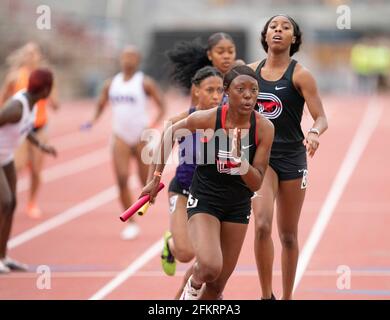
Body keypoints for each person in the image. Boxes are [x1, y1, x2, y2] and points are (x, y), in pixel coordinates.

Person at [141, 65, 274, 300]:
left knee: (216, 287)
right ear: (226, 92)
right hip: (205, 199)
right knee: (210, 267)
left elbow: (256, 183)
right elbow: (170, 132)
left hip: (238, 205)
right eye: (240, 89)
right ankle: (190, 289)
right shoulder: (209, 118)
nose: (247, 95)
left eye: (253, 90)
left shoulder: (264, 128)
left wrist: (240, 163)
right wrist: (156, 178)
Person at [248, 15, 328, 300]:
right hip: (261, 158)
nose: (278, 30)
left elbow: (321, 117)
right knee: (261, 225)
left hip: (293, 157)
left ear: (294, 38)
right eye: (273, 27)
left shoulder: (300, 74)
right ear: (265, 35)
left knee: (288, 235)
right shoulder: (248, 73)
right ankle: (265, 295)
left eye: (285, 28)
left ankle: (287, 297)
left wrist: (315, 133)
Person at [86, 45, 165, 240]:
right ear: (120, 59)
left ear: (138, 60)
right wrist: (92, 120)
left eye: (132, 57)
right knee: (121, 179)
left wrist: (152, 125)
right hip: (120, 135)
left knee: (144, 182)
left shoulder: (145, 83)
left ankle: (142, 206)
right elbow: (101, 104)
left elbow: (162, 106)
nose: (128, 60)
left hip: (140, 135)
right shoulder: (111, 84)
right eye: (125, 57)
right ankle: (131, 222)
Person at [0, 68, 57, 274]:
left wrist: (41, 146)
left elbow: (26, 129)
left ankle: (3, 257)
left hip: (5, 157)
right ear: (46, 89)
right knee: (5, 201)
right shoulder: (16, 107)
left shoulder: (33, 104)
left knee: (12, 203)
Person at [0, 42, 60, 219]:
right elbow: (3, 98)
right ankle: (8, 199)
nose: (31, 56)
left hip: (38, 126)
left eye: (34, 53)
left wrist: (52, 99)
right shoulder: (15, 77)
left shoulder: (44, 78)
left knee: (36, 170)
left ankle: (32, 202)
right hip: (18, 125)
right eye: (28, 53)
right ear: (23, 56)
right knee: (15, 166)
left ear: (39, 56)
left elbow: (55, 102)